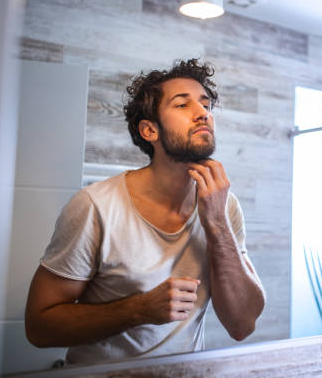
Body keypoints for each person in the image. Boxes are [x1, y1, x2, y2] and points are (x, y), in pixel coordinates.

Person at [25, 59, 265, 365]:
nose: (203, 113)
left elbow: (243, 324)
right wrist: (138, 310)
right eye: (182, 104)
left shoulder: (223, 203)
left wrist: (217, 221)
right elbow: (39, 326)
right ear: (150, 130)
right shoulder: (95, 206)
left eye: (205, 104)